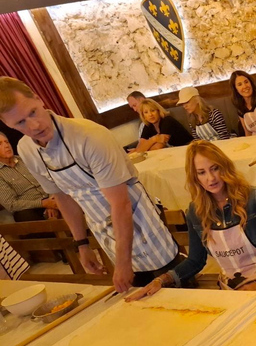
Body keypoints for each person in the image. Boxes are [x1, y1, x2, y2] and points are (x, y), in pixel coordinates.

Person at [0, 77, 182, 293]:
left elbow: (121, 204)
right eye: (20, 123)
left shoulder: (88, 136)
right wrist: (82, 244)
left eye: (32, 112)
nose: (34, 126)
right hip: (102, 227)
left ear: (39, 100)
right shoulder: (27, 150)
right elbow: (63, 197)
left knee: (176, 288)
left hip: (138, 219)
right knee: (141, 301)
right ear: (8, 125)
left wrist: (124, 264)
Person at [127, 141, 256, 299]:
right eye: (202, 172)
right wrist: (161, 280)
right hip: (232, 289)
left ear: (225, 167)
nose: (211, 178)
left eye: (215, 169)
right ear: (195, 177)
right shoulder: (195, 211)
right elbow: (195, 260)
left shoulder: (255, 199)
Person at [0, 131, 59, 221]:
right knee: (24, 216)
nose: (6, 145)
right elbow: (11, 204)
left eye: (6, 142)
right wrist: (43, 203)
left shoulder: (25, 159)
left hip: (52, 197)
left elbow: (49, 177)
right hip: (31, 208)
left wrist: (52, 199)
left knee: (68, 195)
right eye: (0, 144)